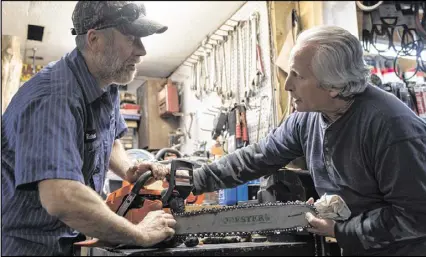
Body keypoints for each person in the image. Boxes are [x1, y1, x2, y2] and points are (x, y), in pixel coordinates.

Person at [157, 25, 426, 256]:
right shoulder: (308, 117)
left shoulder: (391, 128)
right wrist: (194, 179)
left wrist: (342, 229)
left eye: (298, 75)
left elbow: (416, 216)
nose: (288, 86)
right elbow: (258, 157)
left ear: (333, 86)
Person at [1, 2, 176, 256]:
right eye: (131, 38)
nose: (142, 50)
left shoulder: (108, 81)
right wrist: (141, 234)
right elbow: (62, 198)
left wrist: (128, 170)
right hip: (28, 246)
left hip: (69, 240)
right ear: (94, 40)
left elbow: (110, 138)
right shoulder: (53, 98)